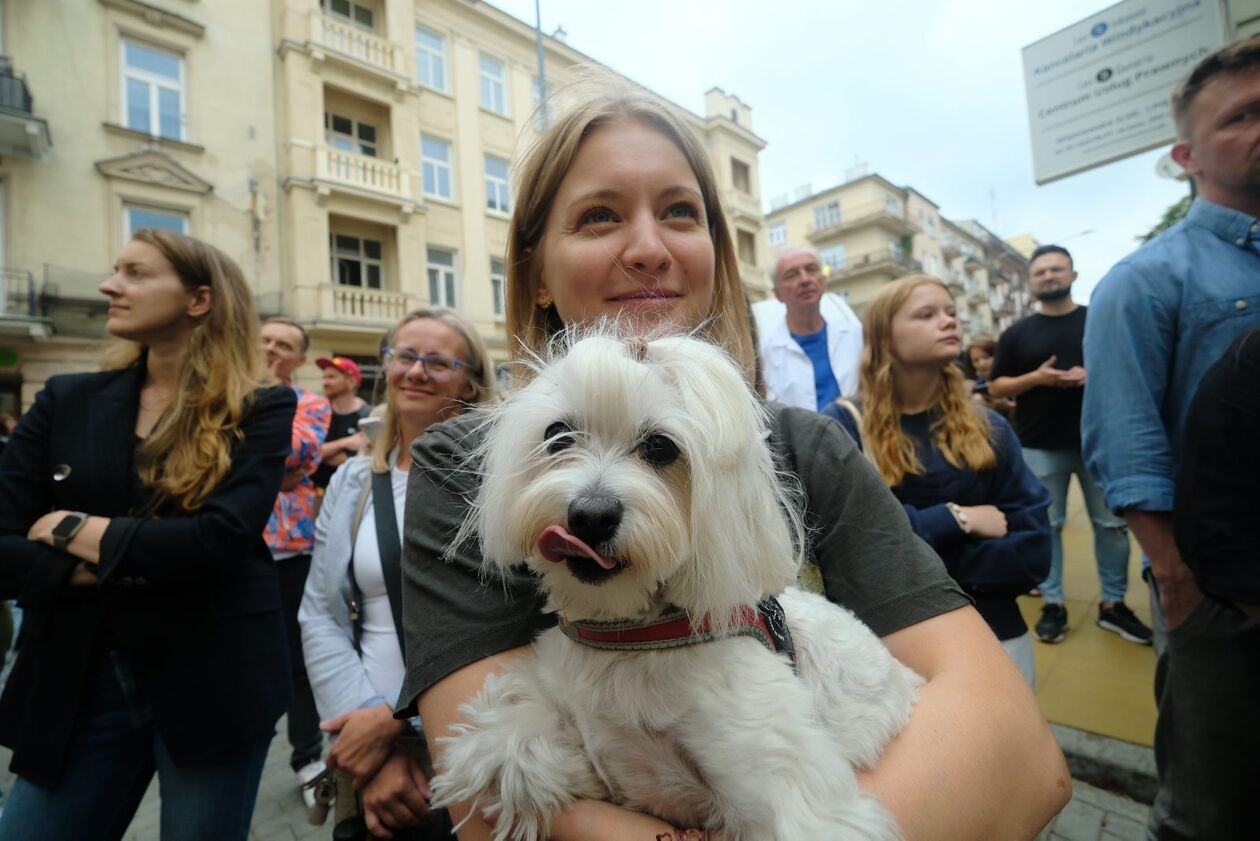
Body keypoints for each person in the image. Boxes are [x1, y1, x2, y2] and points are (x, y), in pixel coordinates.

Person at [397, 76, 1069, 841]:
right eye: (599, 215)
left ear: (716, 254)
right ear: (535, 268)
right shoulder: (462, 460)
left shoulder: (804, 445)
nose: (648, 248)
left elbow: (1024, 756)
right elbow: (488, 816)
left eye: (680, 212)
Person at [0, 230, 296, 840]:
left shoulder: (259, 405)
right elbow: (3, 547)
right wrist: (149, 555)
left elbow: (219, 543)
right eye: (116, 271)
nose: (111, 286)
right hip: (77, 676)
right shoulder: (65, 399)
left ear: (198, 301)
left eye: (135, 273)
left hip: (213, 678)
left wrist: (70, 528)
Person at [1083, 37, 1260, 840]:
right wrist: (1178, 578)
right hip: (1222, 596)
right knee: (1210, 808)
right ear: (1187, 154)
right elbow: (1125, 440)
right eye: (1243, 115)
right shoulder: (1146, 280)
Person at [300, 308, 496, 839]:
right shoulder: (354, 481)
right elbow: (320, 612)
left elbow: (519, 626)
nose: (415, 371)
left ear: (472, 381)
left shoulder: (502, 481)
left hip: (482, 742)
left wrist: (395, 722)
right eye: (404, 356)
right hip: (367, 743)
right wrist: (367, 735)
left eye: (437, 361)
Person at [822, 277, 1051, 687]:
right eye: (926, 315)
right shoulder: (841, 426)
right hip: (887, 649)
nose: (948, 322)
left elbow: (1033, 547)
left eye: (950, 312)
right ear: (884, 338)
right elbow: (850, 547)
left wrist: (911, 550)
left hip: (992, 627)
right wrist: (957, 519)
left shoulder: (989, 425)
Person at [988, 245, 1151, 647]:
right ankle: (1053, 603)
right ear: (1031, 281)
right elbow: (995, 387)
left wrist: (1093, 374)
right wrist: (1038, 379)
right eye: (1040, 271)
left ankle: (1114, 605)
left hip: (1101, 441)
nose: (1048, 276)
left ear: (1073, 275)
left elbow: (1133, 368)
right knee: (1047, 526)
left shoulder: (1099, 321)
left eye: (1056, 269)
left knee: (1112, 526)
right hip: (1039, 445)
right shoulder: (1017, 333)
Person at [259, 317, 332, 800]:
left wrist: (253, 458)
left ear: (300, 359)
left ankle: (307, 757)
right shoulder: (220, 391)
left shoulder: (310, 403)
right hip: (233, 546)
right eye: (265, 341)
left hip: (292, 548)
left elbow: (294, 452)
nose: (272, 350)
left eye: (284, 345)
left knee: (298, 658)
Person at [759, 247, 863, 410]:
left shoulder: (857, 336)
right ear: (778, 294)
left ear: (823, 281)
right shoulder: (763, 355)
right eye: (791, 275)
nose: (805, 279)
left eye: (811, 269)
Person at [312, 355, 370, 493]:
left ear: (351, 381)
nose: (325, 382)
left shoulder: (368, 416)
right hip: (316, 492)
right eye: (324, 377)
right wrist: (346, 443)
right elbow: (310, 454)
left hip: (352, 494)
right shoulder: (317, 413)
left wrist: (325, 451)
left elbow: (364, 459)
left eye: (331, 377)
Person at [967, 335, 1013, 415]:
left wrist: (1008, 406)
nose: (982, 364)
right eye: (976, 360)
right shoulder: (977, 387)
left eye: (986, 357)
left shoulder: (1013, 378)